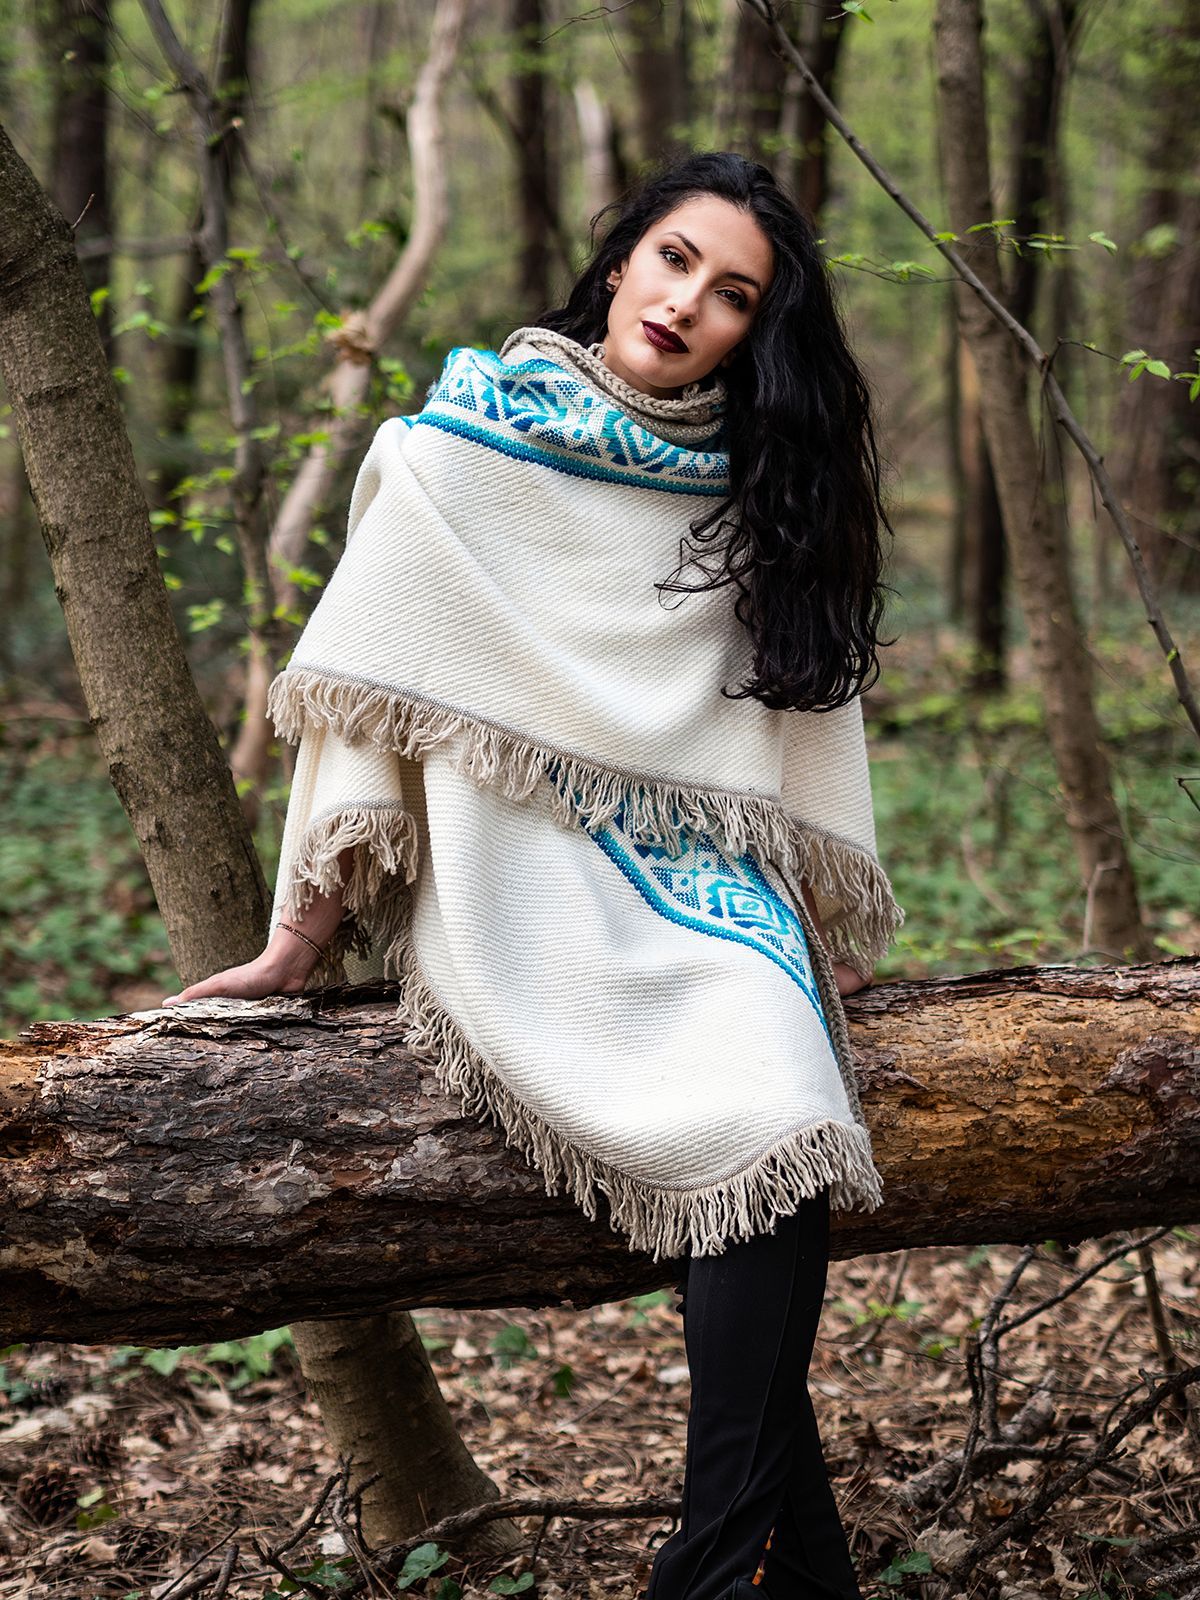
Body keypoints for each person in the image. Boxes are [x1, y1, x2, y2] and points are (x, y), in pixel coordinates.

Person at [164, 150, 902, 1600]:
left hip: (702, 884)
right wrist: (301, 936)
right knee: (769, 1123)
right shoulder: (460, 448)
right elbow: (368, 688)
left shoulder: (755, 493)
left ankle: (737, 1570)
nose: (687, 303)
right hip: (515, 869)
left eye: (734, 294)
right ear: (622, 260)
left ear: (756, 332)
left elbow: (783, 729)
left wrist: (816, 915)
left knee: (783, 1103)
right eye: (674, 260)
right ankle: (748, 1570)